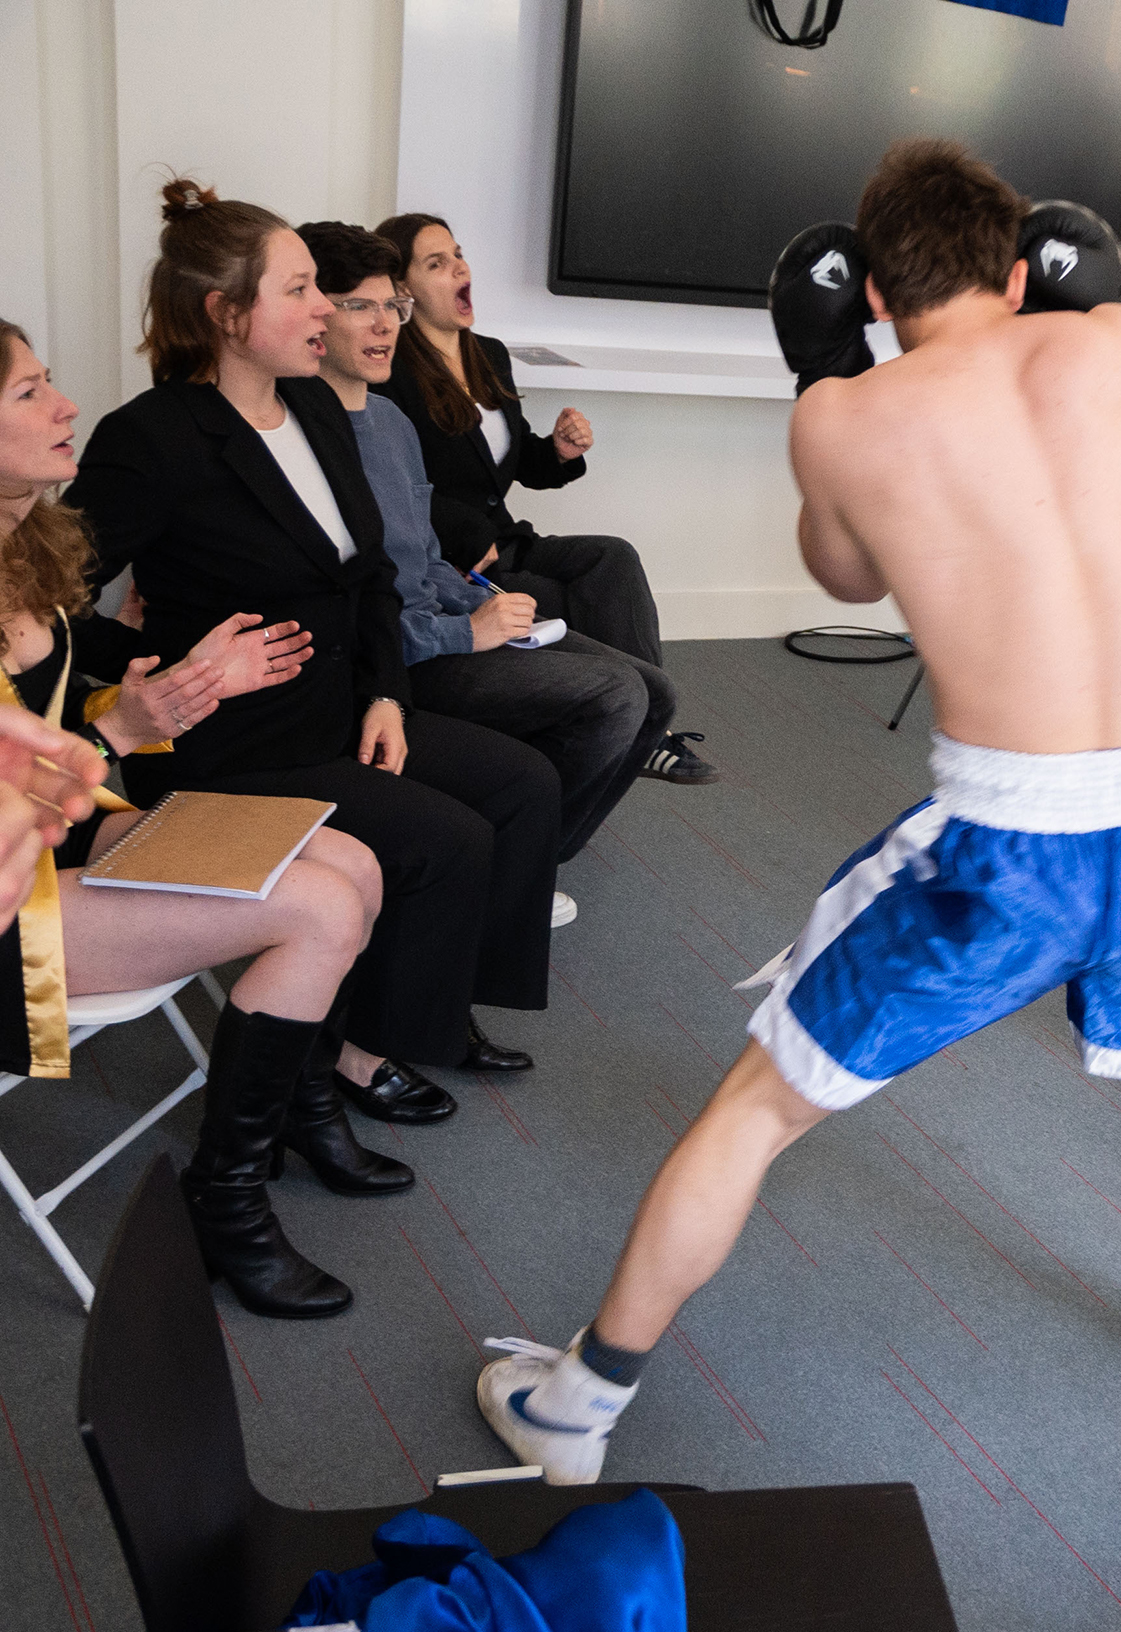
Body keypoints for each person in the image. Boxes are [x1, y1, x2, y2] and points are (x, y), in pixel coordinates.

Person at [474, 143, 1121, 1486]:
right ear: (1016, 271)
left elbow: (843, 573)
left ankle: (577, 1403)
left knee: (757, 1106)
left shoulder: (844, 419)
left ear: (872, 296)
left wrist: (825, 374)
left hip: (1002, 853)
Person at [66, 179, 561, 1127]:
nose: (324, 311)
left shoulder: (319, 412)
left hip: (340, 707)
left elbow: (368, 575)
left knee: (522, 784)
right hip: (238, 744)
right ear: (227, 314)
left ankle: (427, 1009)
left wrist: (387, 695)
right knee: (446, 839)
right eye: (299, 291)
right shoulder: (154, 439)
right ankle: (360, 1058)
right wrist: (157, 663)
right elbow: (42, 597)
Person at [4, 316, 401, 1318]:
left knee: (352, 863)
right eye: (28, 393)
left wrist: (164, 694)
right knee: (318, 909)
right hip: (9, 904)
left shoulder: (28, 543)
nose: (66, 406)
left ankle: (296, 1109)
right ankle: (224, 1201)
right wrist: (128, 726)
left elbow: (56, 724)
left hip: (61, 830)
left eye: (50, 381)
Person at [300, 221, 672, 884]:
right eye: (361, 306)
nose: (384, 324)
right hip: (410, 654)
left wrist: (484, 601)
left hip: (458, 597)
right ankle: (517, 868)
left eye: (390, 306)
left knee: (656, 691)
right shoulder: (311, 436)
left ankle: (532, 857)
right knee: (618, 694)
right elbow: (361, 606)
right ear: (314, 314)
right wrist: (466, 629)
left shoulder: (392, 421)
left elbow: (421, 555)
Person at [372, 213, 716, 786]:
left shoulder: (488, 354)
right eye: (436, 263)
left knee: (612, 556)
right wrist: (459, 530)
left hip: (506, 538)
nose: (459, 268)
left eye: (458, 254)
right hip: (452, 560)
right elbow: (389, 478)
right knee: (564, 597)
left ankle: (645, 730)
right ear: (402, 288)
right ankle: (623, 725)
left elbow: (507, 464)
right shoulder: (390, 369)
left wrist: (556, 451)